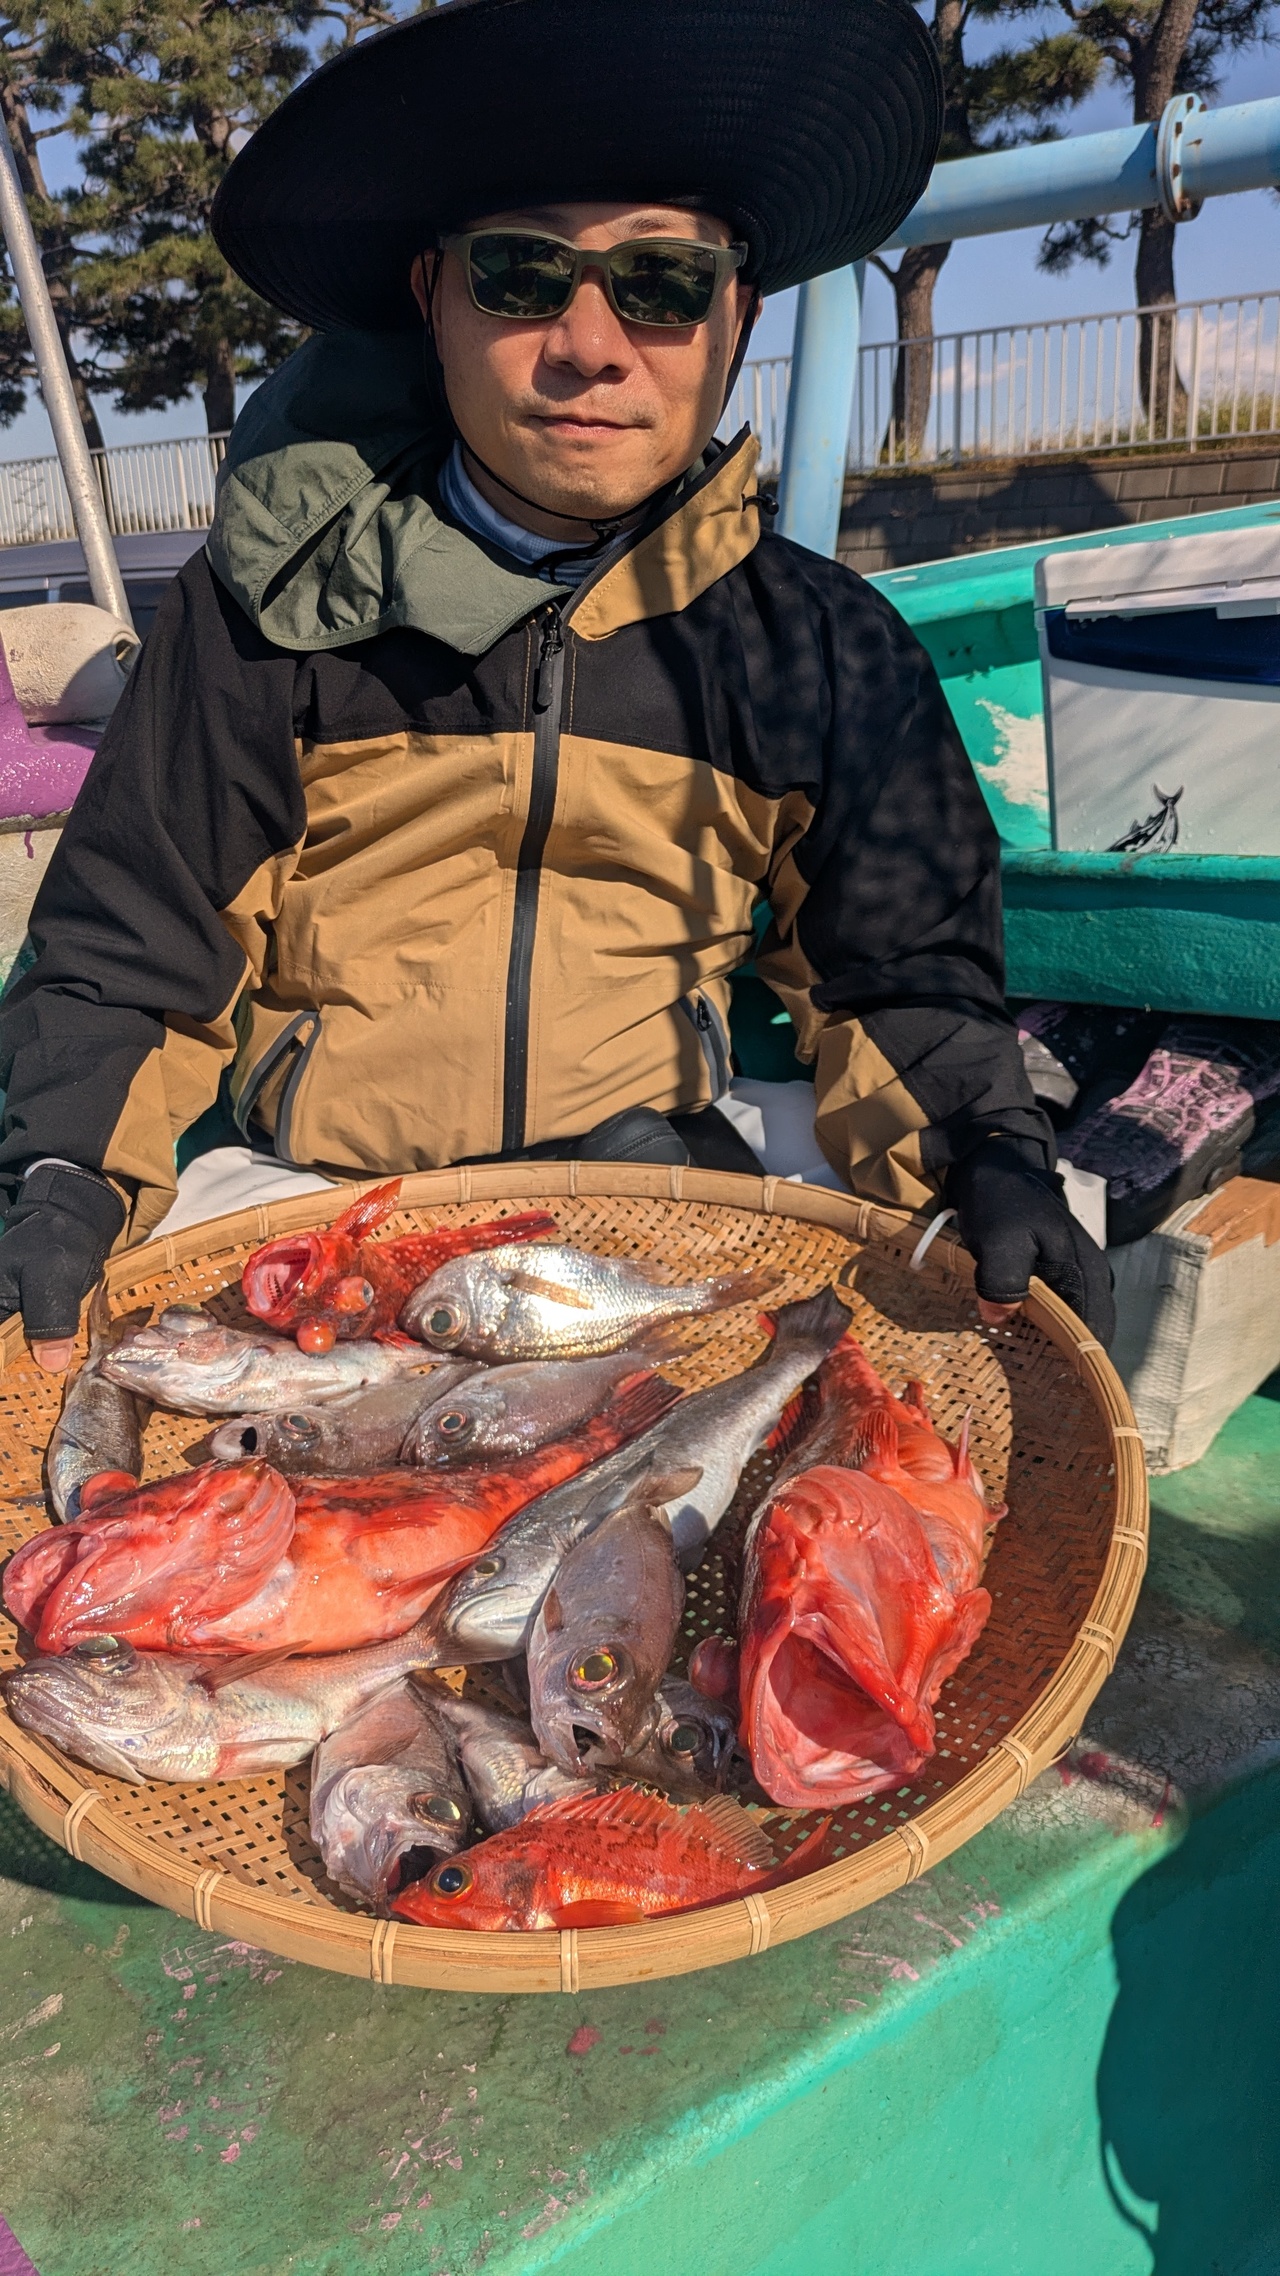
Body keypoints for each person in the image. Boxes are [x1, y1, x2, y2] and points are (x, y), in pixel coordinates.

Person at [0, 0, 1114, 1372]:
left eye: (664, 282)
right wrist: (62, 1175)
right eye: (523, 274)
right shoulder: (261, 614)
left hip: (659, 1186)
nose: (590, 344)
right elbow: (129, 952)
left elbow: (900, 979)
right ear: (432, 298)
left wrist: (991, 1152)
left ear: (738, 317)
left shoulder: (825, 644)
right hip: (321, 1204)